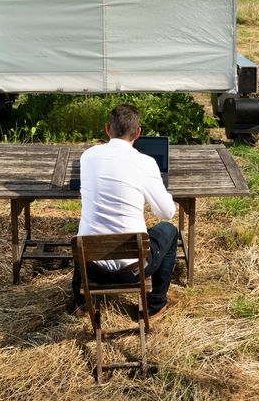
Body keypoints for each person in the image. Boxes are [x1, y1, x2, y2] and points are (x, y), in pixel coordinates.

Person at [69, 104, 178, 321]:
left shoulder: (88, 157)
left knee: (86, 228)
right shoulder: (146, 163)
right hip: (132, 268)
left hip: (91, 266)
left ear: (107, 129)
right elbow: (166, 212)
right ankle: (155, 304)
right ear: (138, 132)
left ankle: (80, 303)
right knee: (168, 230)